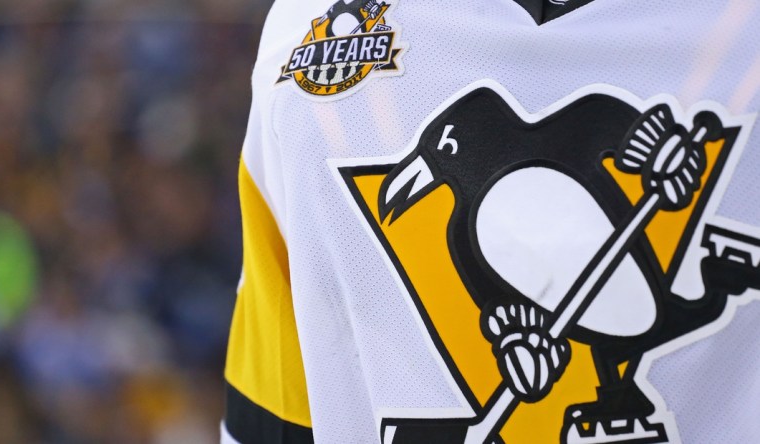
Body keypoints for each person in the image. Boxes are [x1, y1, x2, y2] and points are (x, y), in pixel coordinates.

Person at [223, 0, 760, 442]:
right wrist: (523, 346)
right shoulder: (305, 40)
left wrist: (659, 153)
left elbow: (600, 119)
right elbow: (278, 413)